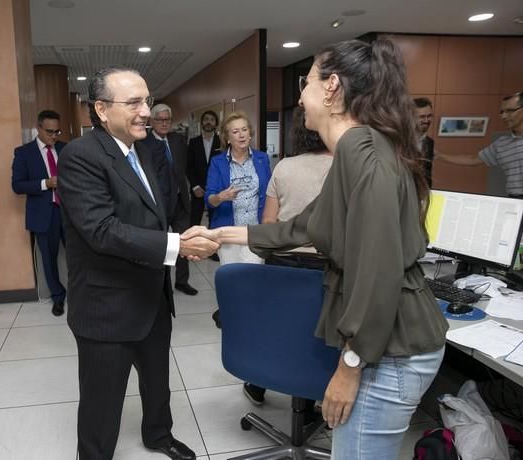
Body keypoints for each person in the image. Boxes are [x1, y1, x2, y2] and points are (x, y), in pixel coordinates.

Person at [183, 39, 449, 459]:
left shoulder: (366, 155)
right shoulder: (354, 152)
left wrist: (349, 366)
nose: (300, 95)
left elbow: (377, 272)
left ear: (332, 87)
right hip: (385, 345)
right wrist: (221, 236)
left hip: (392, 350)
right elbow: (304, 227)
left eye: (305, 81)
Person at [57, 67, 217, 460]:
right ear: (100, 108)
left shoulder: (144, 149)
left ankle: (158, 434)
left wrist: (185, 236)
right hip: (107, 305)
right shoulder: (81, 157)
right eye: (134, 103)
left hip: (152, 296)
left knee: (158, 381)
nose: (146, 111)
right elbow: (102, 230)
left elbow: (161, 209)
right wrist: (175, 245)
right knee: (102, 399)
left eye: (146, 100)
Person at [244, 109, 332, 406]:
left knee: (278, 325)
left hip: (282, 265)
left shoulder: (283, 167)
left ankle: (258, 383)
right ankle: (309, 398)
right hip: (326, 268)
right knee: (317, 333)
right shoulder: (347, 168)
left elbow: (269, 224)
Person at [11, 110, 67, 316]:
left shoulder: (65, 148)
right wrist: (46, 183)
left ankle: (82, 294)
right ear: (39, 128)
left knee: (79, 255)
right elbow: (17, 186)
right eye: (50, 131)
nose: (54, 136)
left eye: (57, 131)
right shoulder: (24, 153)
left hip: (69, 213)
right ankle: (57, 297)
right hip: (45, 215)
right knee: (49, 259)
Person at [140, 103, 198, 296]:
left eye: (168, 119)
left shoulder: (178, 140)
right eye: (160, 120)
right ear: (152, 121)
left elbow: (186, 167)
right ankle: (163, 283)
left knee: (185, 242)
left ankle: (182, 281)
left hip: (181, 201)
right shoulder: (143, 144)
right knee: (164, 245)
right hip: (160, 205)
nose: (165, 123)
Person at [436, 91, 523, 197]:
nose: (504, 116)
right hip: (516, 199)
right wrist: (440, 156)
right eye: (502, 112)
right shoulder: (501, 143)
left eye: (510, 111)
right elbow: (473, 159)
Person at [205, 111, 271, 265]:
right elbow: (209, 199)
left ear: (250, 133)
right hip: (228, 231)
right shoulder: (217, 162)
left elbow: (269, 192)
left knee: (253, 277)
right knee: (231, 277)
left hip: (255, 231)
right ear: (227, 138)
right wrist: (221, 197)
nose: (241, 135)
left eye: (244, 130)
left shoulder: (262, 158)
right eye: (235, 132)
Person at [186, 110, 221, 227]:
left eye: (212, 120)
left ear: (216, 124)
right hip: (198, 189)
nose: (208, 122)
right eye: (206, 119)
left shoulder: (222, 143)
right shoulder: (193, 142)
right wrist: (195, 186)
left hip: (216, 190)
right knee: (194, 222)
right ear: (201, 123)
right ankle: (191, 244)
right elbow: (188, 167)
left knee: (215, 222)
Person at [413, 97, 435, 186]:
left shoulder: (430, 142)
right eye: (422, 117)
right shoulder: (399, 141)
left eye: (429, 116)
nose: (426, 120)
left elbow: (427, 174)